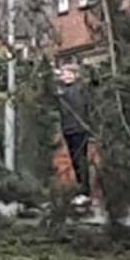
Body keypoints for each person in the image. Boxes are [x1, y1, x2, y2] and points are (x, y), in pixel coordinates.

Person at [56, 63, 92, 204]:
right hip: (68, 129)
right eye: (63, 73)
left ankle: (85, 191)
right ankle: (81, 189)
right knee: (75, 160)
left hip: (78, 129)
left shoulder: (79, 89)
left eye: (67, 73)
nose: (64, 76)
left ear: (75, 75)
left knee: (79, 160)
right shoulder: (64, 90)